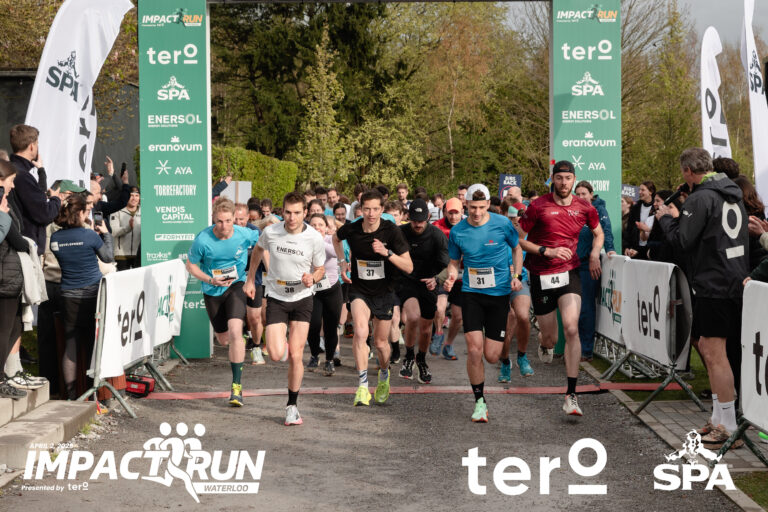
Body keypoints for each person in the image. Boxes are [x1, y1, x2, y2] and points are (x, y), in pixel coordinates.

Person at [656, 148, 748, 449]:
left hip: (715, 282)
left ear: (688, 171)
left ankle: (728, 426)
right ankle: (719, 418)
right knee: (710, 349)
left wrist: (667, 219)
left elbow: (682, 241)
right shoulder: (730, 192)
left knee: (715, 353)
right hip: (731, 278)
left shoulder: (702, 197)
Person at [518, 161, 603, 417]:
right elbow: (518, 239)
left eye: (568, 178)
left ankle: (571, 395)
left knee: (571, 327)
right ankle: (544, 343)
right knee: (551, 339)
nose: (564, 183)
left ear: (574, 179)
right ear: (552, 179)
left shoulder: (584, 207)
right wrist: (546, 250)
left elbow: (598, 233)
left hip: (569, 273)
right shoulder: (538, 206)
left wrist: (595, 254)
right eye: (559, 178)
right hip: (541, 275)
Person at [443, 184, 523, 423]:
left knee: (491, 356)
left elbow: (517, 249)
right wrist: (451, 275)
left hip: (498, 295)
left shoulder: (503, 224)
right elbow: (454, 262)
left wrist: (516, 276)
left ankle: (504, 353)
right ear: (465, 205)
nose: (476, 212)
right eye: (472, 208)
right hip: (472, 294)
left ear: (488, 204)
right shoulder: (458, 231)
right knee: (474, 349)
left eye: (481, 207)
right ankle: (479, 402)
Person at [244, 192, 325, 425]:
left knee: (296, 355)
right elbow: (258, 251)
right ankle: (284, 341)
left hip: (302, 298)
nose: (292, 217)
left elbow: (320, 269)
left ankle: (292, 406)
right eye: (288, 212)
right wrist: (250, 280)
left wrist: (312, 277)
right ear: (283, 211)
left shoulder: (314, 237)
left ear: (305, 213)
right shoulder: (271, 232)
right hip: (277, 297)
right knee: (276, 354)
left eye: (297, 213)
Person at [333, 189, 413, 406]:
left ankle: (384, 374)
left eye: (375, 209)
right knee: (360, 332)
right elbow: (335, 238)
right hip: (359, 289)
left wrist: (387, 253)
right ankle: (362, 386)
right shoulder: (353, 228)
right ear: (360, 209)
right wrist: (342, 262)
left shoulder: (392, 231)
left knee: (380, 343)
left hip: (385, 292)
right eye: (366, 209)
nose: (370, 213)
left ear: (382, 209)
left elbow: (408, 266)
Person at [186, 197, 260, 407]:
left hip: (236, 285)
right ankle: (235, 342)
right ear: (213, 219)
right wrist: (210, 279)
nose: (224, 226)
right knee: (223, 339)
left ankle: (236, 387)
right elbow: (191, 265)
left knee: (235, 331)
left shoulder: (244, 233)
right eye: (219, 221)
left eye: (228, 221)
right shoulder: (203, 239)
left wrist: (252, 278)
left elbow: (263, 244)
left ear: (234, 218)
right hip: (213, 289)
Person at [50, 194, 115, 399]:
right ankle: (92, 392)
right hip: (93, 296)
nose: (87, 215)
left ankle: (71, 397)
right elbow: (108, 257)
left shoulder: (55, 238)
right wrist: (106, 234)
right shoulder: (89, 236)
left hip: (68, 296)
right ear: (79, 213)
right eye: (86, 212)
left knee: (71, 345)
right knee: (92, 345)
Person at [396, 199, 449, 384]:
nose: (417, 224)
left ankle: (421, 359)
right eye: (414, 220)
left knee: (426, 329)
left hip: (429, 283)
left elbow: (448, 266)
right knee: (412, 317)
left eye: (421, 220)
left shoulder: (437, 235)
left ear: (428, 217)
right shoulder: (400, 232)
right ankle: (409, 356)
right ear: (408, 217)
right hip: (407, 281)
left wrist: (437, 280)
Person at [574, 181, 616, 361]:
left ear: (591, 194)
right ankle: (575, 348)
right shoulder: (573, 210)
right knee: (573, 309)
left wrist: (610, 249)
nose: (581, 197)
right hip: (571, 265)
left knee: (586, 308)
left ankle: (586, 350)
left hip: (588, 266)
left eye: (584, 193)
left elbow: (605, 230)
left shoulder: (598, 210)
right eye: (578, 194)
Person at [0, 160, 32, 399]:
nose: (12, 187)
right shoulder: (2, 207)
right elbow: (17, 240)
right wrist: (4, 216)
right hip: (5, 279)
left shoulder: (5, 203)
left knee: (14, 328)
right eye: (10, 181)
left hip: (8, 277)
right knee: (5, 330)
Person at [7, 124, 62, 257]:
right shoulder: (23, 176)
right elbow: (43, 213)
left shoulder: (12, 169)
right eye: (37, 144)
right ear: (32, 146)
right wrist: (56, 199)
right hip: (25, 248)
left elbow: (37, 199)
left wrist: (41, 171)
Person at [497, 195, 534, 381]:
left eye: (519, 216)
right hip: (499, 283)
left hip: (520, 281)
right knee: (506, 322)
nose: (516, 220)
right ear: (504, 215)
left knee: (523, 316)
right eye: (512, 216)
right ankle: (504, 361)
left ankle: (522, 356)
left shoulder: (527, 235)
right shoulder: (497, 232)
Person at [306, 214, 344, 376]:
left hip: (332, 289)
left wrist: (318, 240)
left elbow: (335, 253)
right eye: (313, 225)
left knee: (331, 327)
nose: (317, 228)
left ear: (326, 228)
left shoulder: (331, 240)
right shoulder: (304, 240)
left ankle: (329, 360)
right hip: (313, 291)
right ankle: (314, 355)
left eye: (320, 225)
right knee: (313, 325)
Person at [431, 197, 465, 359]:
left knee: (458, 317)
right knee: (439, 309)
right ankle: (438, 333)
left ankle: (448, 344)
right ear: (444, 212)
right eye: (450, 213)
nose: (453, 217)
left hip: (461, 277)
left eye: (456, 213)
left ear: (462, 212)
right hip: (442, 274)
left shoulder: (468, 227)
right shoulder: (436, 227)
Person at [233, 203, 266, 365]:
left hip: (254, 280)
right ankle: (238, 345)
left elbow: (264, 253)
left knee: (254, 317)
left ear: (248, 217)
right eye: (235, 219)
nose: (238, 222)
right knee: (235, 317)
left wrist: (271, 274)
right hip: (233, 281)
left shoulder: (255, 232)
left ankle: (256, 347)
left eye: (241, 219)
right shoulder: (226, 232)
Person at [110, 186, 141, 270]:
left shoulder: (144, 212)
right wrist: (128, 227)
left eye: (137, 195)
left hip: (139, 255)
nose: (134, 198)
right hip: (121, 256)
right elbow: (114, 232)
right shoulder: (116, 211)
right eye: (131, 195)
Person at [624, 181, 655, 259]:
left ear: (650, 192)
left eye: (643, 190)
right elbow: (629, 228)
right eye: (639, 190)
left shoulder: (657, 207)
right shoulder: (635, 207)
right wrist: (627, 246)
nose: (640, 192)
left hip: (651, 248)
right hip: (636, 248)